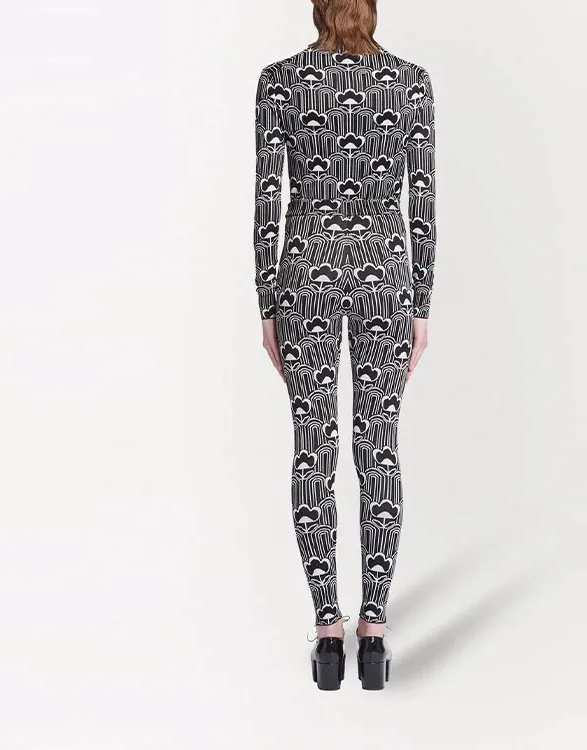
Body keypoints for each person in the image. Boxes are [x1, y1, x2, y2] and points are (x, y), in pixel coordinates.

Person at [253, 0, 436, 690]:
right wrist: (421, 304)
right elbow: (423, 204)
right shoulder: (411, 82)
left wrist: (267, 302)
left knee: (314, 446)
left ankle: (328, 634)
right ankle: (375, 632)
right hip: (386, 275)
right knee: (379, 445)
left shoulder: (280, 81)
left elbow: (267, 200)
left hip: (306, 274)